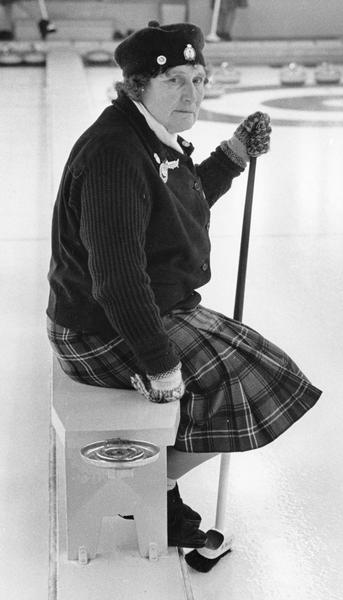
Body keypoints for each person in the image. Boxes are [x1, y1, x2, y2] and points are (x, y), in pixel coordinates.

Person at [46, 20, 322, 549]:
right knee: (250, 384)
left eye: (198, 79)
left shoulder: (147, 137)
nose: (191, 94)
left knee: (266, 374)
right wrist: (157, 360)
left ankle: (150, 479)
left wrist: (231, 158)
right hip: (98, 329)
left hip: (139, 307)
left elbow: (178, 205)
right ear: (136, 86)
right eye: (174, 80)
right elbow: (116, 276)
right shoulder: (114, 155)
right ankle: (146, 488)